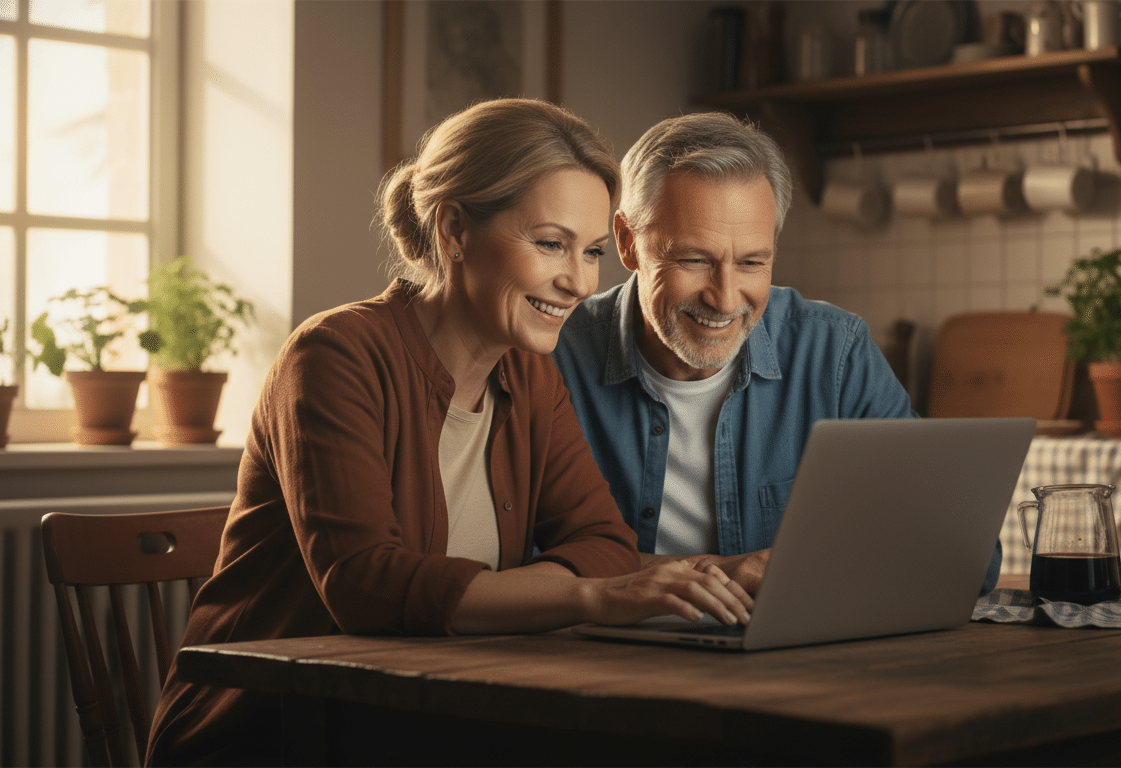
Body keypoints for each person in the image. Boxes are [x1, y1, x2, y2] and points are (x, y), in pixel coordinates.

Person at [147, 99, 751, 767]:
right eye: (550, 243)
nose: (579, 282)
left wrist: (590, 583)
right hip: (275, 737)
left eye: (593, 253)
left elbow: (605, 542)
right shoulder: (333, 356)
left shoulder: (528, 375)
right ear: (455, 229)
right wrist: (588, 595)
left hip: (425, 723)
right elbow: (366, 586)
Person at [552, 111, 1002, 596]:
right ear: (627, 242)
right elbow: (518, 561)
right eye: (694, 260)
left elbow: (970, 556)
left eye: (751, 263)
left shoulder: (835, 353)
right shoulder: (555, 356)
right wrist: (723, 573)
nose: (724, 299)